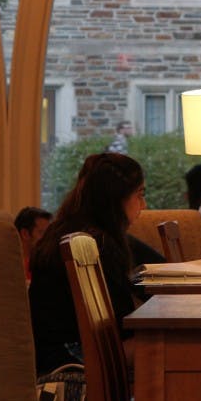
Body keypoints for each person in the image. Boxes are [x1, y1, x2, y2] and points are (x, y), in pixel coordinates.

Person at [28, 153, 149, 375]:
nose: (144, 204)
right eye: (139, 194)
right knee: (175, 348)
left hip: (48, 356)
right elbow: (122, 324)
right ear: (117, 197)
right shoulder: (100, 244)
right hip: (74, 360)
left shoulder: (65, 230)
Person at [14, 206, 52, 282]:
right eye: (42, 232)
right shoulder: (14, 266)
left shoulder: (46, 263)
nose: (48, 238)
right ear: (25, 234)